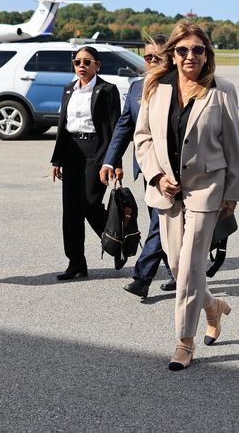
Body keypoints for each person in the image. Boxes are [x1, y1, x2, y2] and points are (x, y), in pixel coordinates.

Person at [134, 20, 239, 371]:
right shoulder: (156, 86)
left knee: (190, 266)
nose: (190, 56)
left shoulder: (220, 89)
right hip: (167, 191)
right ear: (173, 54)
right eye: (182, 50)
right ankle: (213, 306)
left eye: (198, 50)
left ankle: (184, 341)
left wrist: (233, 192)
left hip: (206, 189)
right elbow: (143, 138)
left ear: (207, 53)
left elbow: (231, 145)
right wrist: (154, 175)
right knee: (180, 265)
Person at [100, 35, 175, 298]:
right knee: (162, 219)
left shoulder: (178, 84)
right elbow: (124, 126)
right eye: (148, 57)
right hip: (146, 166)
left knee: (159, 218)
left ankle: (142, 277)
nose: (152, 61)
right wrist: (111, 159)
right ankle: (177, 272)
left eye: (158, 56)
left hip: (172, 169)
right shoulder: (135, 87)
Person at [50, 46, 121, 280]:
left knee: (90, 203)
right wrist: (57, 159)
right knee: (70, 211)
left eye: (88, 62)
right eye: (78, 61)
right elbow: (63, 125)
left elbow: (114, 128)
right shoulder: (69, 89)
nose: (82, 65)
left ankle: (116, 240)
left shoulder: (108, 90)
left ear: (98, 65)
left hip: (96, 151)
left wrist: (114, 161)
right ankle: (76, 263)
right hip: (71, 151)